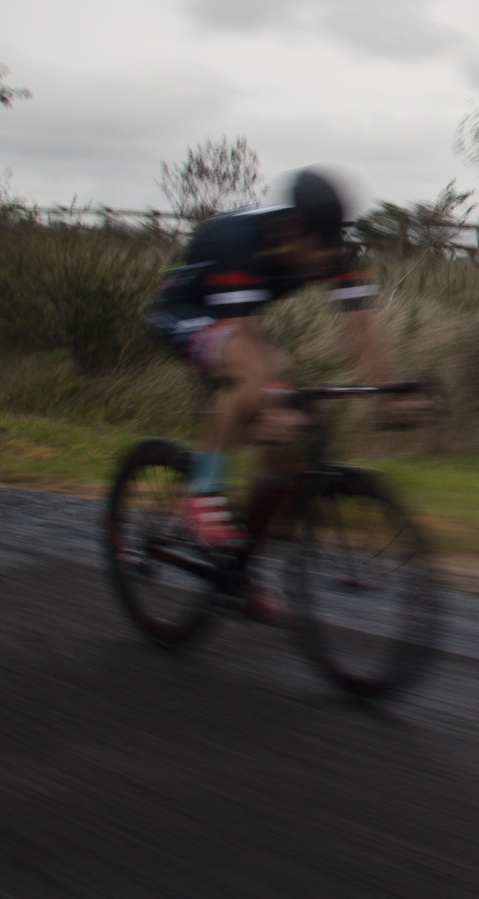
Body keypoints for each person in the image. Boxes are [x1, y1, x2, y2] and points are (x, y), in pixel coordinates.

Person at [146, 167, 425, 619]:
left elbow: (363, 331)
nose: (324, 258)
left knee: (283, 458)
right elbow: (245, 341)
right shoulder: (242, 243)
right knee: (257, 379)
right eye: (315, 246)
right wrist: (272, 400)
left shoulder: (336, 253)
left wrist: (391, 392)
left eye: (332, 244)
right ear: (291, 232)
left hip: (231, 323)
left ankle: (239, 569)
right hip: (183, 311)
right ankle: (201, 493)